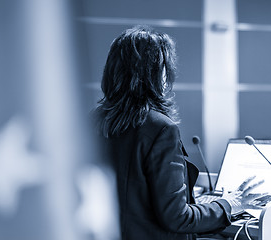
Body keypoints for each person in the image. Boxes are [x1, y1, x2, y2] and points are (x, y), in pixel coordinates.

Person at [92, 26, 262, 240]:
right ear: (155, 73)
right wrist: (230, 204)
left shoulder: (95, 120)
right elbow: (178, 217)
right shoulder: (161, 128)